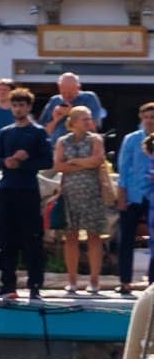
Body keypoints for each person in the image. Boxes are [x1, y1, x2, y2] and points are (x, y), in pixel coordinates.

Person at [0, 89, 54, 299]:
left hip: (28, 190)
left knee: (32, 239)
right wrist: (7, 161)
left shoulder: (38, 132)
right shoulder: (5, 132)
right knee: (6, 240)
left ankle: (35, 285)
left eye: (22, 105)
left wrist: (24, 161)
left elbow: (47, 161)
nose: (18, 109)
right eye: (15, 105)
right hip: (7, 189)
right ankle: (7, 284)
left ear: (29, 107)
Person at [56, 104, 113, 294]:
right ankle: (72, 280)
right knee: (70, 236)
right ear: (73, 122)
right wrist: (84, 164)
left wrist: (74, 162)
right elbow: (59, 165)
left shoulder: (95, 139)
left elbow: (97, 160)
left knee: (94, 236)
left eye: (90, 118)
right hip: (70, 194)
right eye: (85, 119)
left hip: (92, 194)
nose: (89, 122)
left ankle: (94, 280)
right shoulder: (63, 141)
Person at [112, 100, 154, 296]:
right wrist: (122, 195)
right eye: (146, 117)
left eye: (152, 117)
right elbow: (124, 168)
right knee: (126, 238)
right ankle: (125, 281)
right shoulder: (131, 139)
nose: (149, 121)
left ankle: (152, 282)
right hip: (134, 194)